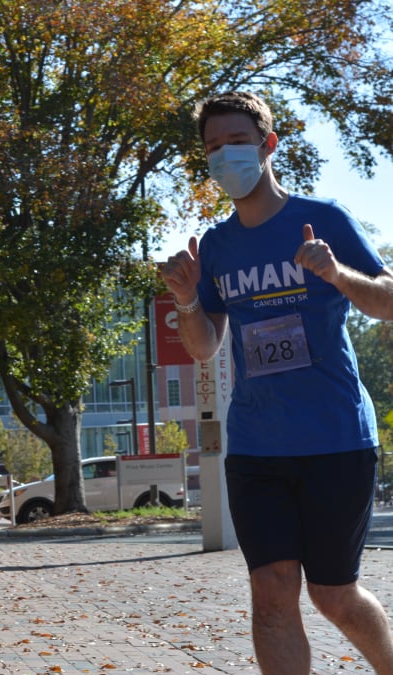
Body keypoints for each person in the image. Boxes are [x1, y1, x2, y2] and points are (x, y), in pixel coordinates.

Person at [162, 91, 393, 674]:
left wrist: (334, 272)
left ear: (267, 145)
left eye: (236, 142)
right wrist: (188, 300)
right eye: (213, 147)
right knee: (270, 593)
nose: (224, 156)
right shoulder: (215, 246)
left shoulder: (325, 217)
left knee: (332, 594)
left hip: (335, 437)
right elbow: (204, 346)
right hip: (257, 446)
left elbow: (387, 302)